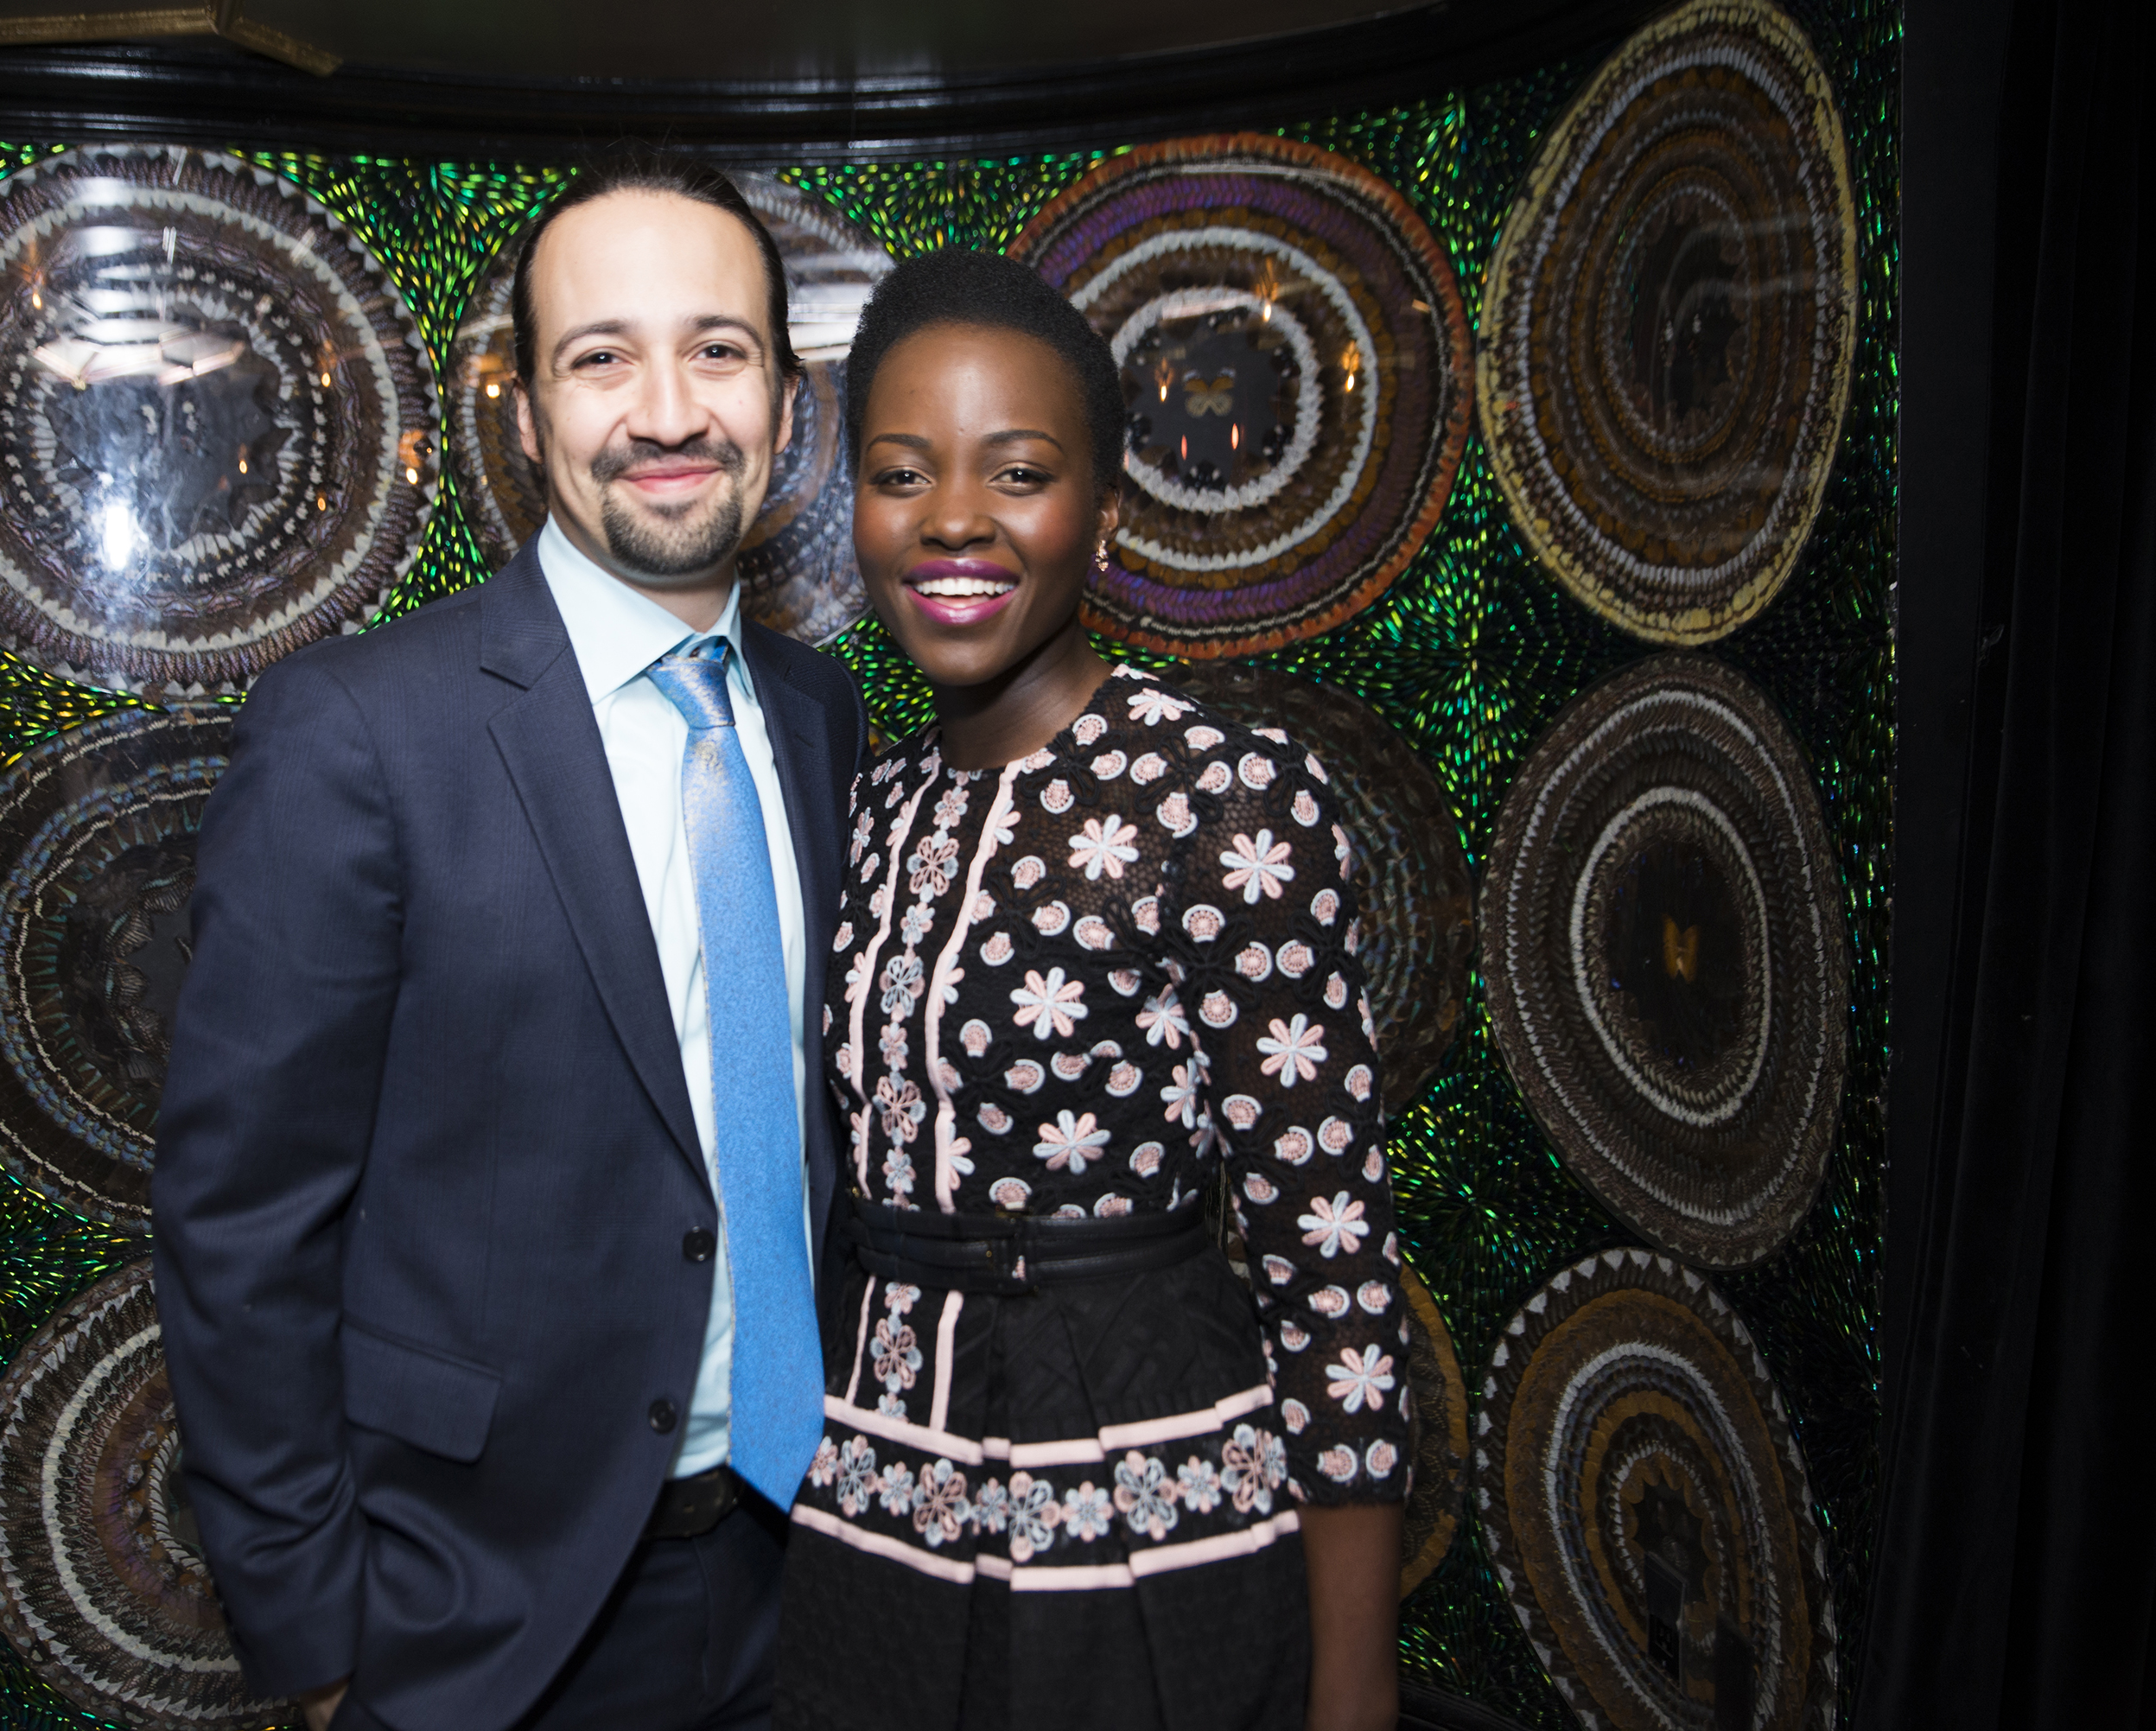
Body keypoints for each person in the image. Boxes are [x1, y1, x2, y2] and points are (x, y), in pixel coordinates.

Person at [152, 149, 868, 1731]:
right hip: (483, 1619)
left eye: (719, 350)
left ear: (787, 403)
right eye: (602, 355)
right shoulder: (357, 732)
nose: (670, 410)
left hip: (806, 1582)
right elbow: (240, 1218)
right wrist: (318, 1643)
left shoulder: (821, 718)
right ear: (529, 419)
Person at [773, 249, 1409, 1731]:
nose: (953, 520)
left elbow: (1336, 1264)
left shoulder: (1225, 800)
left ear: (1106, 516)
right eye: (902, 471)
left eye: (1020, 471)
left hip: (1140, 1509)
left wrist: (1356, 1685)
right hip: (872, 1510)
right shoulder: (869, 803)